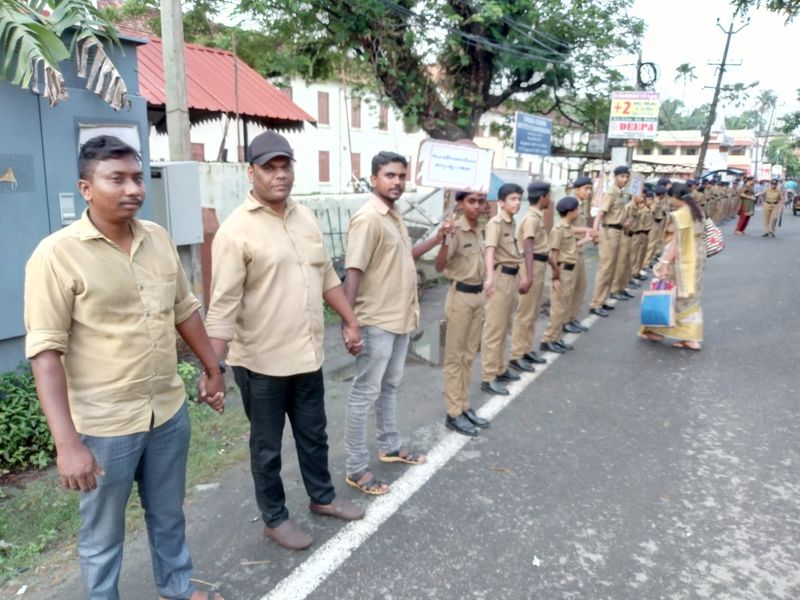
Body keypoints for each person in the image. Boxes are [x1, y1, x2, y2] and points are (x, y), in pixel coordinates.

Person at [24, 136, 226, 600]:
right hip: (104, 425)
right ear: (86, 188)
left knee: (169, 513)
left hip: (166, 412)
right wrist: (66, 443)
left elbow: (184, 309)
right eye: (116, 179)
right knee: (102, 535)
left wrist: (212, 368)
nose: (132, 188)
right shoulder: (55, 256)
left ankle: (177, 589)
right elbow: (46, 353)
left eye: (137, 177)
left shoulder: (157, 239)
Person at [205, 131, 364, 551]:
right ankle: (274, 519)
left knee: (315, 434)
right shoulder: (235, 232)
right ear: (251, 172)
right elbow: (221, 307)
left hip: (307, 354)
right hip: (261, 364)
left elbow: (326, 276)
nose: (279, 175)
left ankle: (323, 497)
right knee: (267, 447)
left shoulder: (305, 217)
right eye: (269, 168)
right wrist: (213, 370)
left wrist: (350, 321)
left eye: (285, 166)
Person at [343, 151, 443, 494]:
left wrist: (436, 239)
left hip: (400, 318)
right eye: (390, 175)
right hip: (376, 321)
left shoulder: (394, 215)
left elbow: (404, 257)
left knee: (389, 387)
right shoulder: (369, 218)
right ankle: (356, 467)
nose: (397, 182)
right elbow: (352, 272)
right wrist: (349, 322)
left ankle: (389, 445)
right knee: (364, 393)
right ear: (374, 179)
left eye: (401, 176)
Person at [434, 191, 491, 437]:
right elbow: (439, 266)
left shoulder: (479, 229)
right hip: (460, 298)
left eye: (480, 202)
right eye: (471, 201)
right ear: (460, 204)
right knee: (454, 358)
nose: (477, 206)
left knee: (469, 355)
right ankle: (453, 412)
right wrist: (444, 241)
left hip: (478, 297)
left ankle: (464, 406)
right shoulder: (454, 230)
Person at [639, 183, 706, 351]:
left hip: (683, 258)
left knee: (668, 292)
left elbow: (678, 243)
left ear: (675, 197)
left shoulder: (680, 214)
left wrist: (665, 263)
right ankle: (687, 336)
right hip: (698, 255)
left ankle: (667, 333)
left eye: (670, 197)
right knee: (690, 294)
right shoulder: (697, 210)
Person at [480, 183, 525, 395]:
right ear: (501, 202)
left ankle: (499, 368)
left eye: (519, 199)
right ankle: (488, 376)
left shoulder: (511, 222)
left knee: (505, 325)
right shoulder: (495, 223)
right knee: (494, 329)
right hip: (499, 278)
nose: (517, 203)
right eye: (513, 199)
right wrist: (489, 279)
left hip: (511, 278)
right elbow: (489, 251)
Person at [539, 197, 593, 353]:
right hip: (563, 271)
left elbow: (570, 247)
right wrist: (555, 276)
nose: (578, 212)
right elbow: (553, 254)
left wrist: (586, 240)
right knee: (558, 307)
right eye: (576, 209)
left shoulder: (568, 227)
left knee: (564, 305)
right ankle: (548, 339)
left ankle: (556, 338)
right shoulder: (558, 229)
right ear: (570, 212)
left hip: (570, 269)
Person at [508, 182, 552, 374]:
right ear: (542, 197)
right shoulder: (531, 219)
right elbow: (527, 246)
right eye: (548, 196)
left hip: (538, 264)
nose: (550, 199)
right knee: (525, 313)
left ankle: (526, 349)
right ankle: (516, 355)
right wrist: (529, 274)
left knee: (532, 311)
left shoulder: (536, 217)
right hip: (531, 265)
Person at [588, 165, 630, 317]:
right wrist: (595, 230)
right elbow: (601, 213)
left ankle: (602, 300)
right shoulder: (611, 192)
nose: (624, 180)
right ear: (615, 177)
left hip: (617, 231)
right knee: (605, 268)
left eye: (626, 177)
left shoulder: (621, 194)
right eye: (621, 176)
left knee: (611, 268)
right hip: (609, 232)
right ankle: (595, 303)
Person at [564, 176, 597, 333]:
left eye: (590, 189)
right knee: (569, 288)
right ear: (577, 189)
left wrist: (590, 234)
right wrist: (587, 231)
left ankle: (572, 318)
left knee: (580, 286)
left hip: (581, 249)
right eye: (586, 189)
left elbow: (585, 223)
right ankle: (564, 321)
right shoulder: (571, 204)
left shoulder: (583, 205)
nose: (588, 192)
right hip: (571, 249)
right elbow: (565, 227)